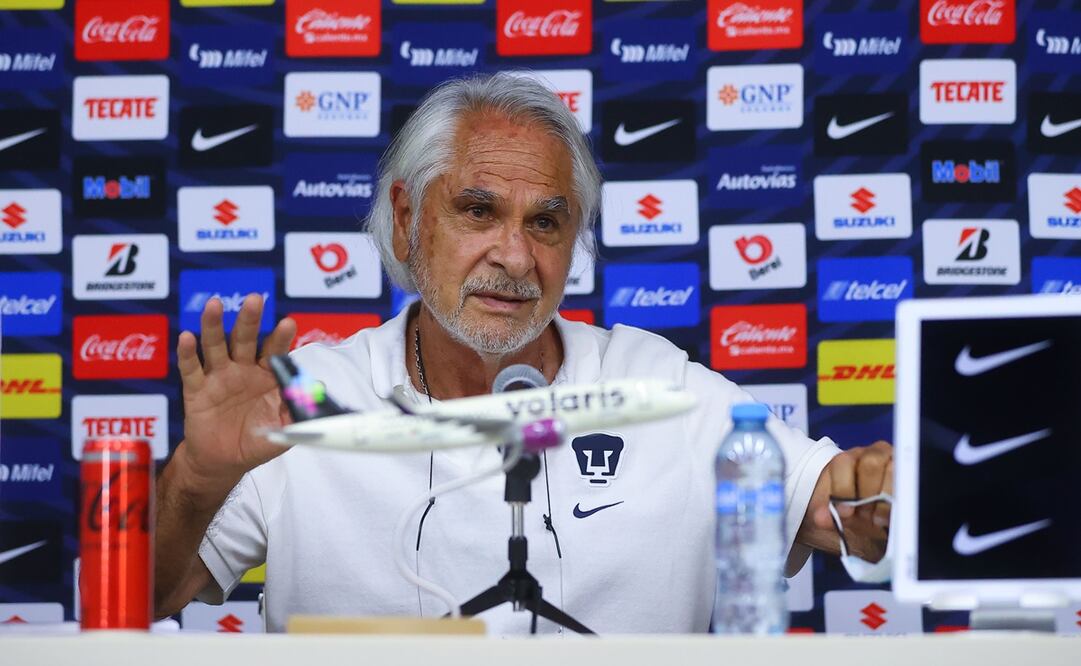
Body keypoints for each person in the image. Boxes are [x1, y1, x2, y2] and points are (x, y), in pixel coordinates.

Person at [154, 73, 893, 634]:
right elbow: (147, 599)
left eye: (545, 222)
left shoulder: (657, 383)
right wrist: (196, 477)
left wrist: (871, 494)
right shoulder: (304, 398)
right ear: (409, 218)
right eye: (477, 211)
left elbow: (839, 506)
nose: (513, 255)